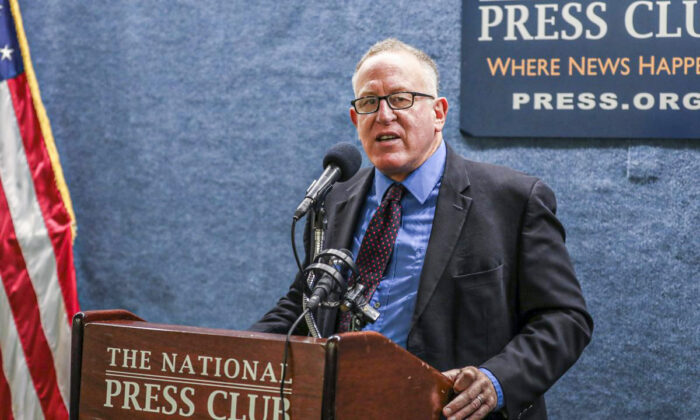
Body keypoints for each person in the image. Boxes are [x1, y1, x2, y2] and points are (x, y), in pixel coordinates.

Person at [251, 38, 593, 420]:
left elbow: (564, 319)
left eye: (401, 98)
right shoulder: (336, 199)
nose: (384, 115)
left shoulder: (513, 200)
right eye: (369, 103)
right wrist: (227, 357)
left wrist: (496, 381)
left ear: (439, 113)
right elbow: (305, 302)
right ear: (356, 119)